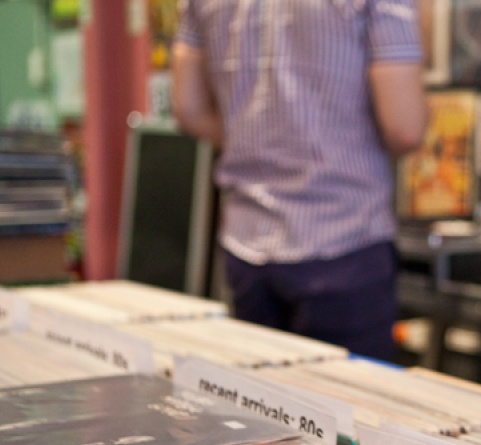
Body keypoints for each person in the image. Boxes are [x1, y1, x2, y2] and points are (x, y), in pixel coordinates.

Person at [171, 0, 427, 361]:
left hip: (247, 241)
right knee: (350, 395)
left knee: (261, 392)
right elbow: (405, 129)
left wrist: (252, 144)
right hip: (343, 238)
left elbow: (188, 109)